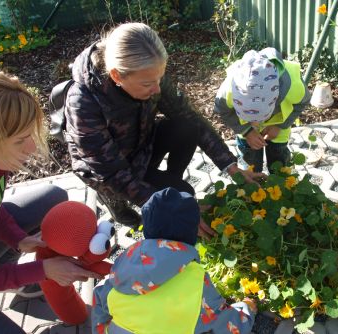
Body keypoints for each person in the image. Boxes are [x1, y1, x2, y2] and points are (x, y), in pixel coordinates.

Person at [63, 22, 265, 231]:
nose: (157, 88)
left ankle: (166, 183)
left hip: (141, 145)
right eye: (147, 84)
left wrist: (231, 167)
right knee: (178, 195)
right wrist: (170, 205)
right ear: (116, 76)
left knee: (186, 127)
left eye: (159, 78)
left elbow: (189, 116)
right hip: (106, 171)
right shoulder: (84, 102)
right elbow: (111, 172)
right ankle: (116, 202)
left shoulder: (147, 74)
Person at [0, 70, 104, 333]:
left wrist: (19, 239)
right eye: (19, 141)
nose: (30, 148)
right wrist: (43, 270)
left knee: (52, 198)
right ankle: (11, 278)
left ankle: (11, 276)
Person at [92, 187, 256, 334]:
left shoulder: (123, 265)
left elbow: (99, 298)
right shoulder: (195, 278)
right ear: (193, 235)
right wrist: (246, 309)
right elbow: (224, 325)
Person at [214, 47, 311, 173]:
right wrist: (246, 130)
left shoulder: (294, 86)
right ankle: (253, 185)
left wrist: (280, 125)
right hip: (245, 133)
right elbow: (223, 110)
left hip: (279, 130)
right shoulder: (229, 89)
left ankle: (279, 184)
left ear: (276, 99)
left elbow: (301, 104)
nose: (256, 124)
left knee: (279, 164)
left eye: (262, 117)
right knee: (251, 166)